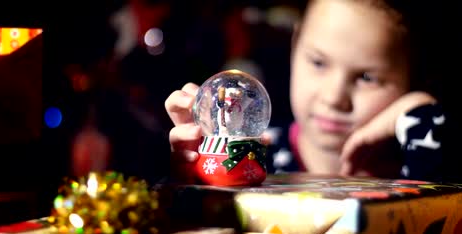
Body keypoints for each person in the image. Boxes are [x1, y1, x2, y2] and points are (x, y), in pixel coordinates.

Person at [165, 0, 449, 181]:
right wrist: (197, 173)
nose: (334, 97)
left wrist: (422, 116)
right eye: (318, 62)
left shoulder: (416, 165)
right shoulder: (256, 155)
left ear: (412, 76)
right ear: (294, 45)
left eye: (367, 77)